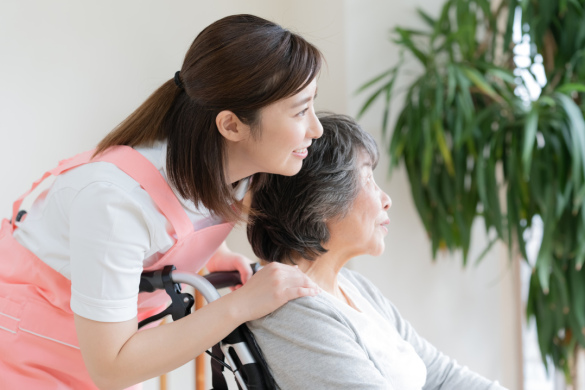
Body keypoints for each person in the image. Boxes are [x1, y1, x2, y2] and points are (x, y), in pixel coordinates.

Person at [0, 14, 323, 390]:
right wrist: (241, 305)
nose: (315, 128)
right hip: (28, 361)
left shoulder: (237, 171)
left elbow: (176, 229)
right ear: (232, 126)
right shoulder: (115, 203)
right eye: (301, 111)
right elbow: (111, 368)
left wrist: (217, 260)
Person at [247, 114, 508, 390]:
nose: (386, 200)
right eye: (368, 179)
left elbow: (439, 375)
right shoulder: (297, 314)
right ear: (320, 203)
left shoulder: (353, 286)